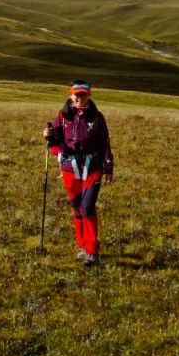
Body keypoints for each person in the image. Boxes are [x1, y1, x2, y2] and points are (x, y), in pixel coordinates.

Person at [43, 80, 114, 266]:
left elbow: (104, 143)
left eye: (83, 94)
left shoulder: (97, 117)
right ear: (71, 95)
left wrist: (108, 167)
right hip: (69, 168)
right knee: (77, 208)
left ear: (88, 95)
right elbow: (55, 141)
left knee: (88, 206)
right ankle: (82, 246)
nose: (80, 98)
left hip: (92, 167)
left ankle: (92, 250)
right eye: (77, 95)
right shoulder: (63, 116)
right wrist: (48, 136)